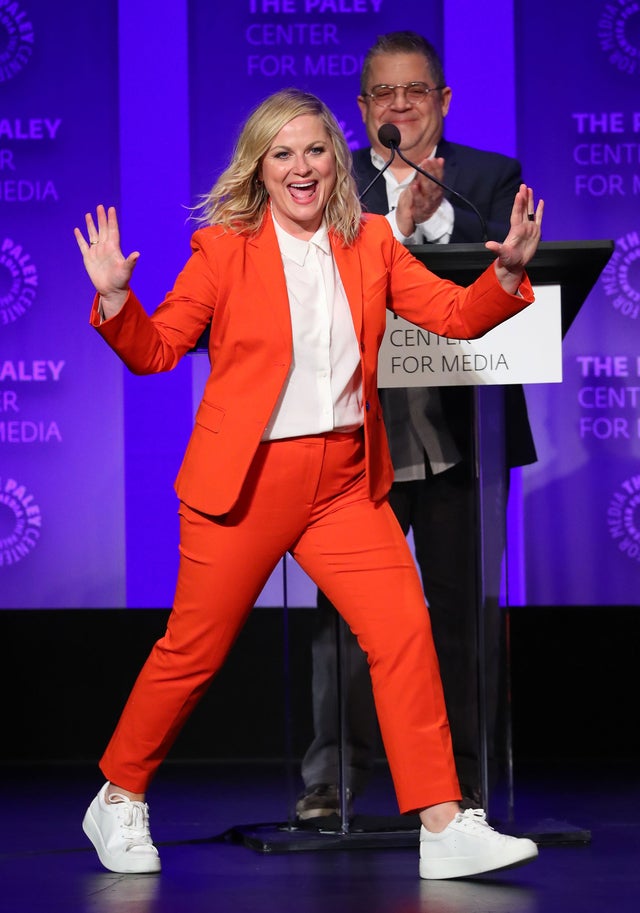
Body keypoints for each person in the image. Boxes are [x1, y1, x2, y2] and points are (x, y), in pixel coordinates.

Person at [74, 87, 543, 880]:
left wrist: (507, 273)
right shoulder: (224, 249)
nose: (302, 167)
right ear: (260, 168)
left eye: (316, 151)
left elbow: (456, 316)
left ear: (338, 158)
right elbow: (156, 351)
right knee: (193, 650)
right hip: (246, 481)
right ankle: (117, 795)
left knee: (401, 629)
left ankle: (441, 820)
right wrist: (117, 299)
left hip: (341, 481)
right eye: (283, 153)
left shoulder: (374, 245)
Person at [297, 31, 538, 822]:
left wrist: (430, 228)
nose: (400, 105)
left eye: (416, 91)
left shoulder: (488, 177)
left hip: (463, 437)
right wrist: (398, 224)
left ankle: (463, 784)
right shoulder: (333, 184)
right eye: (384, 95)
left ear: (442, 100)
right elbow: (324, 267)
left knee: (463, 615)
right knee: (342, 623)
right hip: (358, 440)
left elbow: (503, 266)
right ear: (363, 109)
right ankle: (333, 779)